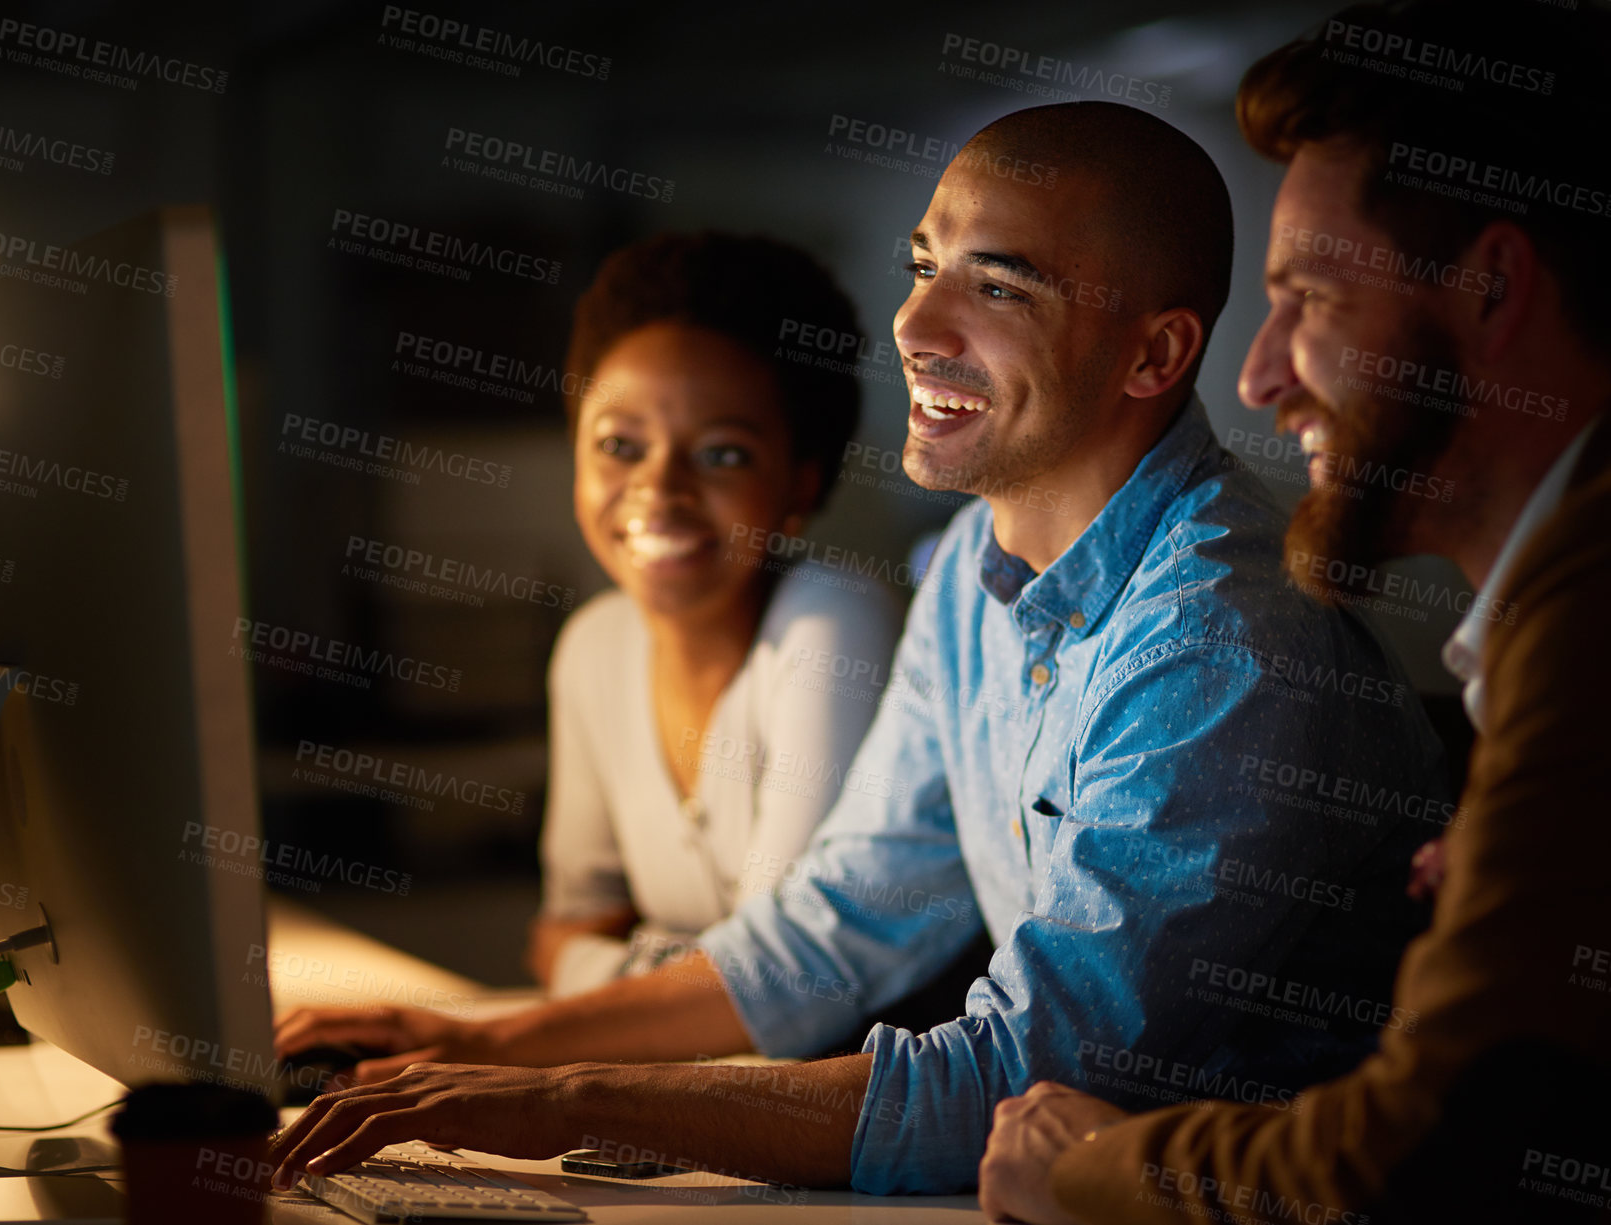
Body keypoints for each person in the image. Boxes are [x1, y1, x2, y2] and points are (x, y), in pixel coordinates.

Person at [270, 101, 1451, 1196]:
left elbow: (1010, 1079)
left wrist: (554, 1102)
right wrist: (479, 1042)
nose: (914, 326)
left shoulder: (1217, 637)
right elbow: (835, 926)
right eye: (924, 266)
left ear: (1151, 358)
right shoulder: (965, 577)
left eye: (999, 289)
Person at [977, 4, 1611, 1223]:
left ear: (1489, 289)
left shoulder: (1589, 626)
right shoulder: (1551, 613)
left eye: (1308, 299)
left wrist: (1086, 1169)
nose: (1260, 377)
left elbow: (1419, 1150)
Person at [525, 232, 900, 998]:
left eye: (722, 454)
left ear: (800, 486)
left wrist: (606, 967)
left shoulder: (829, 626)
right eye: (619, 444)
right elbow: (562, 929)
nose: (658, 489)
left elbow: (777, 988)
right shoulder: (593, 647)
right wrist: (676, 968)